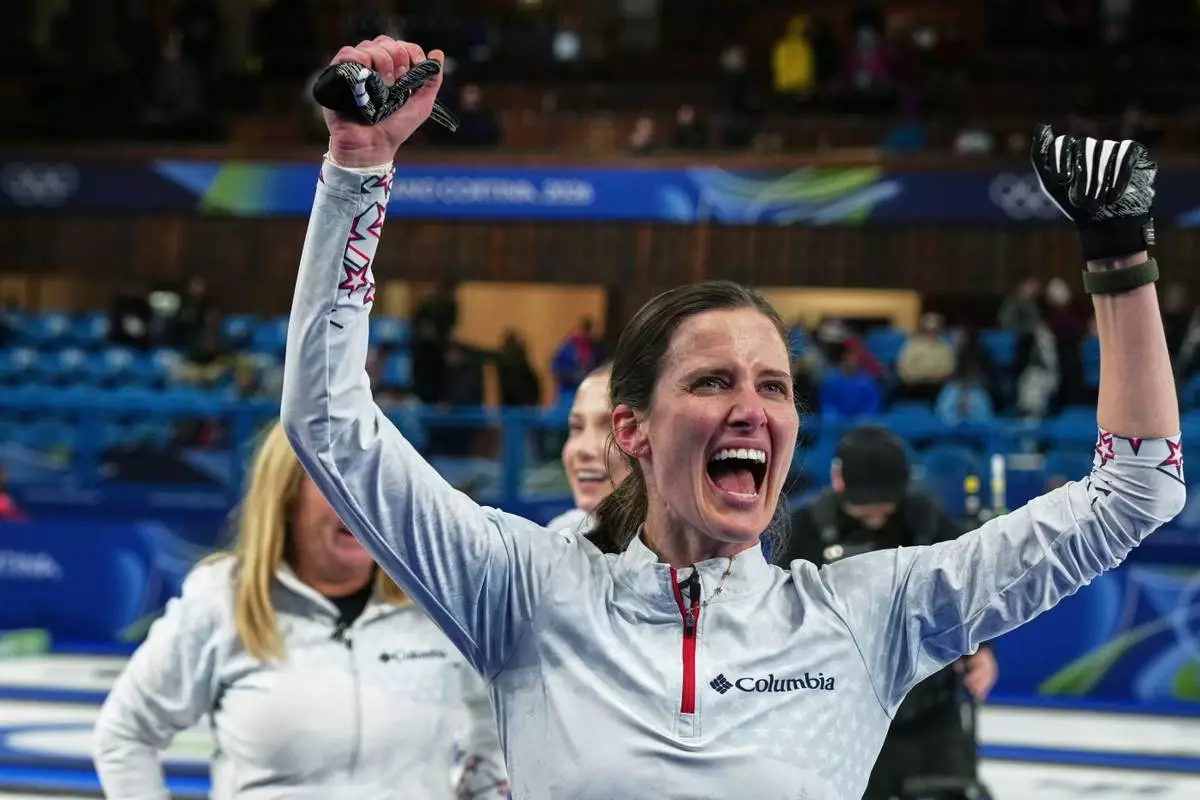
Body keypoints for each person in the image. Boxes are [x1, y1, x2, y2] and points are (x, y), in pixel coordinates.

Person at [282, 35, 1183, 799]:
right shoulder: (525, 593)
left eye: (776, 386)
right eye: (713, 381)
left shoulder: (868, 617)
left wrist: (1119, 258)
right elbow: (326, 419)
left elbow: (1134, 492)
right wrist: (358, 169)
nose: (751, 407)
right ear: (632, 430)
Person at [92, 422, 508, 799]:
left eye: (375, 477)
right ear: (287, 496)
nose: (360, 499)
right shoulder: (222, 598)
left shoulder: (439, 601)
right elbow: (125, 736)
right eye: (335, 477)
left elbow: (499, 716)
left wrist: (482, 788)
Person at [773, 426, 998, 800]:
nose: (875, 513)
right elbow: (781, 614)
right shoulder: (806, 529)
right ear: (838, 480)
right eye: (866, 503)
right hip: (842, 716)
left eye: (885, 502)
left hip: (928, 708)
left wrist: (983, 650)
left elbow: (965, 589)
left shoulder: (927, 520)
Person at [545, 363, 629, 535]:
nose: (583, 449)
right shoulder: (562, 536)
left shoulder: (691, 553)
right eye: (576, 427)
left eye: (610, 428)